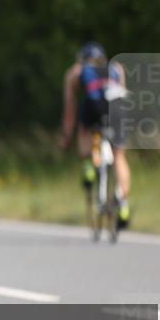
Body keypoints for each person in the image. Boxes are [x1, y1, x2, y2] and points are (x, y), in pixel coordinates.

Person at [59, 41, 131, 228]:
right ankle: (123, 204)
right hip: (117, 108)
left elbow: (70, 109)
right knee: (119, 157)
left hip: (93, 108)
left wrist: (66, 136)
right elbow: (123, 94)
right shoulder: (116, 67)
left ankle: (88, 167)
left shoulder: (76, 71)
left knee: (85, 129)